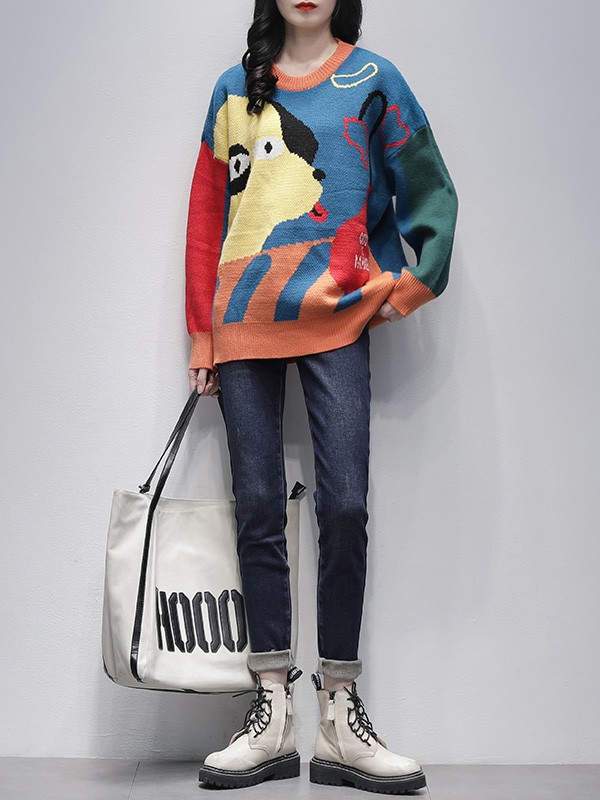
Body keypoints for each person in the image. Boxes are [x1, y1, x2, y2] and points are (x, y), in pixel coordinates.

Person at [186, 0, 458, 792]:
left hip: (340, 317)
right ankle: (271, 711)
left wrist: (411, 285)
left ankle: (339, 715)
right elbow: (206, 217)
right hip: (242, 321)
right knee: (258, 505)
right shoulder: (233, 89)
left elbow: (430, 187)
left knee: (343, 507)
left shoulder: (375, 80)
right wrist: (201, 334)